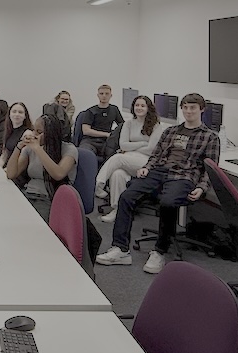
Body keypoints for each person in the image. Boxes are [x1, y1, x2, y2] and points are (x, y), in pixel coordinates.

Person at [95, 93, 220, 274]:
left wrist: (202, 187)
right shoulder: (171, 131)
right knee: (127, 196)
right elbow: (156, 155)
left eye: (193, 107)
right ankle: (120, 249)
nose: (188, 111)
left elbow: (210, 168)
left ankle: (160, 251)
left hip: (184, 176)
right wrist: (147, 167)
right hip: (159, 172)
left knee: (168, 202)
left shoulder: (210, 137)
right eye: (185, 107)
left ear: (202, 110)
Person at [96, 95, 164, 223]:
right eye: (137, 105)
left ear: (148, 108)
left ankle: (99, 184)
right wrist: (142, 144)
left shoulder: (156, 125)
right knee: (117, 174)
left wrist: (130, 148)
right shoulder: (128, 123)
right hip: (128, 158)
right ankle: (118, 210)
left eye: (142, 105)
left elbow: (151, 150)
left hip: (146, 162)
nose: (139, 108)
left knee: (118, 158)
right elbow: (122, 145)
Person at [5, 114, 78, 214]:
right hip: (28, 193)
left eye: (39, 132)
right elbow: (11, 174)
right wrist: (18, 147)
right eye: (33, 130)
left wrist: (38, 149)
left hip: (50, 198)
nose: (34, 134)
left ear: (51, 133)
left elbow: (58, 174)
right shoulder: (31, 149)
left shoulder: (69, 149)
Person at [79, 85, 125, 158]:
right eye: (101, 94)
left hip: (107, 142)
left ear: (111, 95)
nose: (104, 96)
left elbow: (123, 126)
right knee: (85, 154)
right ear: (98, 95)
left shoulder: (114, 109)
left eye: (107, 94)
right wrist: (106, 134)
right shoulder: (90, 111)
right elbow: (86, 130)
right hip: (90, 141)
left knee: (117, 156)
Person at [0, 102, 33, 167]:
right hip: (6, 167)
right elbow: (4, 155)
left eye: (20, 112)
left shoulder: (27, 133)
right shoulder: (8, 131)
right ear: (9, 114)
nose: (17, 114)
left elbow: (23, 160)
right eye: (14, 111)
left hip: (17, 171)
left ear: (25, 116)